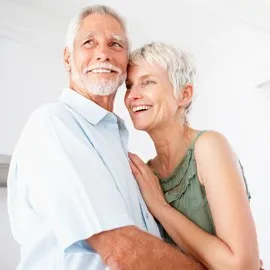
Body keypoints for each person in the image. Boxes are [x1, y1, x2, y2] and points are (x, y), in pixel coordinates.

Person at [7, 6, 204, 270]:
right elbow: (123, 250)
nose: (103, 53)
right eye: (89, 42)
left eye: (115, 44)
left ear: (125, 63)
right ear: (68, 59)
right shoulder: (53, 124)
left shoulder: (118, 144)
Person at [125, 42, 260, 269]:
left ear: (184, 94)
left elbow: (242, 266)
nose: (132, 96)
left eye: (147, 82)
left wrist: (161, 208)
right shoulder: (145, 175)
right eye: (129, 86)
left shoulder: (209, 147)